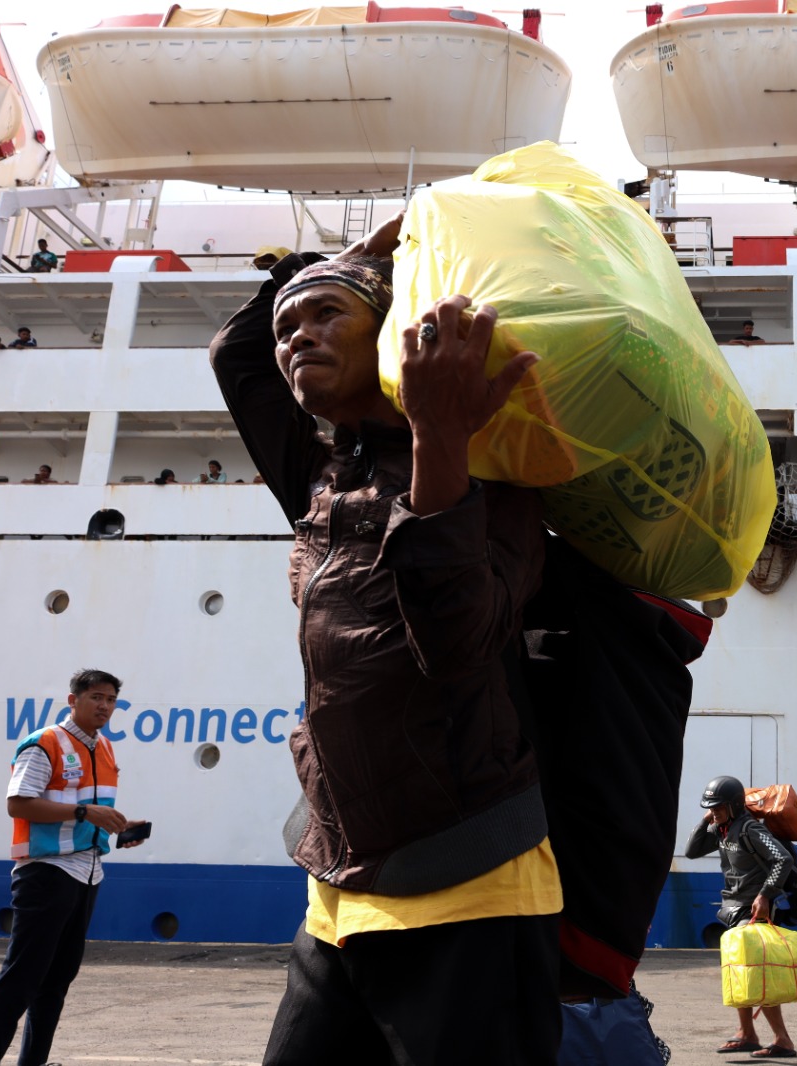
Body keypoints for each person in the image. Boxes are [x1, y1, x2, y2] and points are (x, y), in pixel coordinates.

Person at [211, 223, 562, 1063]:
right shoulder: (324, 474)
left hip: (469, 883)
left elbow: (456, 644)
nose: (296, 337)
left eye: (326, 315)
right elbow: (237, 353)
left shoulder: (493, 474)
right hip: (337, 882)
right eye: (289, 327)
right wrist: (340, 263)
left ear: (391, 330)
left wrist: (439, 439)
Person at [0, 668, 147, 1066]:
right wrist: (87, 811)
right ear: (73, 700)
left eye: (110, 700)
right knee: (20, 980)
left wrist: (119, 826)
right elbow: (18, 803)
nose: (104, 706)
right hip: (46, 873)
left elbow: (85, 812)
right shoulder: (45, 744)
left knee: (55, 984)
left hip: (87, 873)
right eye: (95, 698)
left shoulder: (103, 748)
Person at [686, 776, 797, 1059]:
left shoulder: (749, 829)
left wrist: (765, 895)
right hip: (734, 907)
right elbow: (691, 851)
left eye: (719, 807)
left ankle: (782, 1039)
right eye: (711, 807)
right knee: (740, 971)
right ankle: (747, 1033)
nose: (715, 812)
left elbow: (782, 859)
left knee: (759, 974)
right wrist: (706, 820)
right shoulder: (722, 829)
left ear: (735, 805)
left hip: (755, 908)